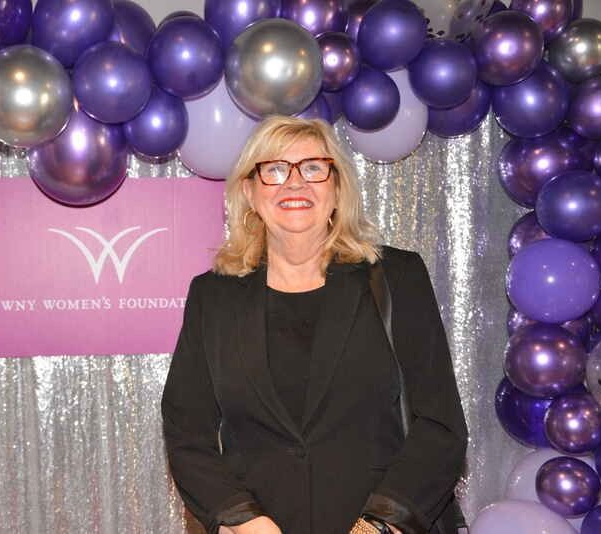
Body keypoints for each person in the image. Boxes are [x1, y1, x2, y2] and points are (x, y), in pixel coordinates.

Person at [161, 116, 468, 534]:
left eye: (312, 168)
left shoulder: (397, 276)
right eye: (273, 170)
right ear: (249, 192)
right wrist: (243, 519)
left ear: (337, 188)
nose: (294, 184)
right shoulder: (213, 296)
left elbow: (440, 424)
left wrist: (378, 525)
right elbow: (187, 434)